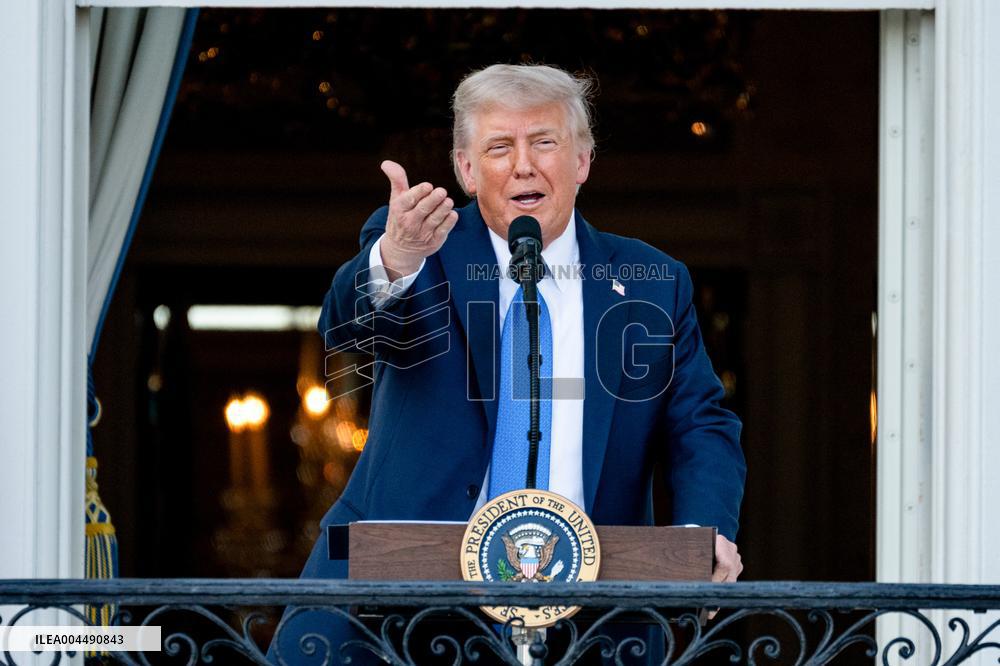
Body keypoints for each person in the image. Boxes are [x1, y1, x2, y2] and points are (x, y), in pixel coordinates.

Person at [268, 63, 745, 665]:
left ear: (582, 162)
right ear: (467, 170)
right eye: (499, 147)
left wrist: (700, 534)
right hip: (394, 598)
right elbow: (350, 330)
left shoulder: (651, 281)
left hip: (592, 611)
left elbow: (700, 423)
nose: (524, 164)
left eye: (544, 142)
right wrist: (395, 258)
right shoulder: (423, 248)